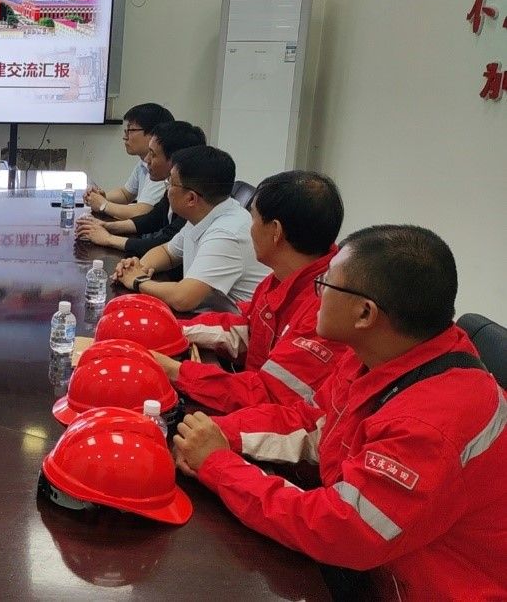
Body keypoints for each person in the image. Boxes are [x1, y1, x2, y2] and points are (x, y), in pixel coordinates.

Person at [173, 225, 507, 599]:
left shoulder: (429, 424)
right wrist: (215, 433)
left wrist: (220, 466)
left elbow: (341, 530)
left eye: (326, 285)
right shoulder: (379, 357)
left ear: (364, 313)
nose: (316, 295)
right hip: (379, 564)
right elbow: (314, 422)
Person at [148, 171, 351, 412]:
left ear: (275, 231)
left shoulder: (326, 311)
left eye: (253, 219)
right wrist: (169, 331)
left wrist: (175, 371)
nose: (249, 229)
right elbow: (248, 330)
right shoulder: (282, 277)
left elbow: (268, 395)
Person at [114, 145, 268, 313]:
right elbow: (168, 252)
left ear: (191, 199)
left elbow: (183, 299)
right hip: (211, 317)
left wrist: (138, 281)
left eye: (171, 183)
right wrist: (138, 267)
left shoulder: (226, 234)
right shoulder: (206, 211)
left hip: (240, 324)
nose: (167, 189)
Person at [76, 120, 205, 257]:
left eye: (153, 154)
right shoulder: (172, 185)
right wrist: (106, 226)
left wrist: (108, 239)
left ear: (175, 160)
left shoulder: (192, 198)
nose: (147, 159)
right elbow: (153, 219)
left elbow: (164, 243)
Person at [82, 102, 173, 220]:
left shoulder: (161, 168)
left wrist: (103, 205)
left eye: (130, 130)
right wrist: (100, 197)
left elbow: (142, 212)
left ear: (153, 135)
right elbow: (125, 194)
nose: (125, 137)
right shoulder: (143, 163)